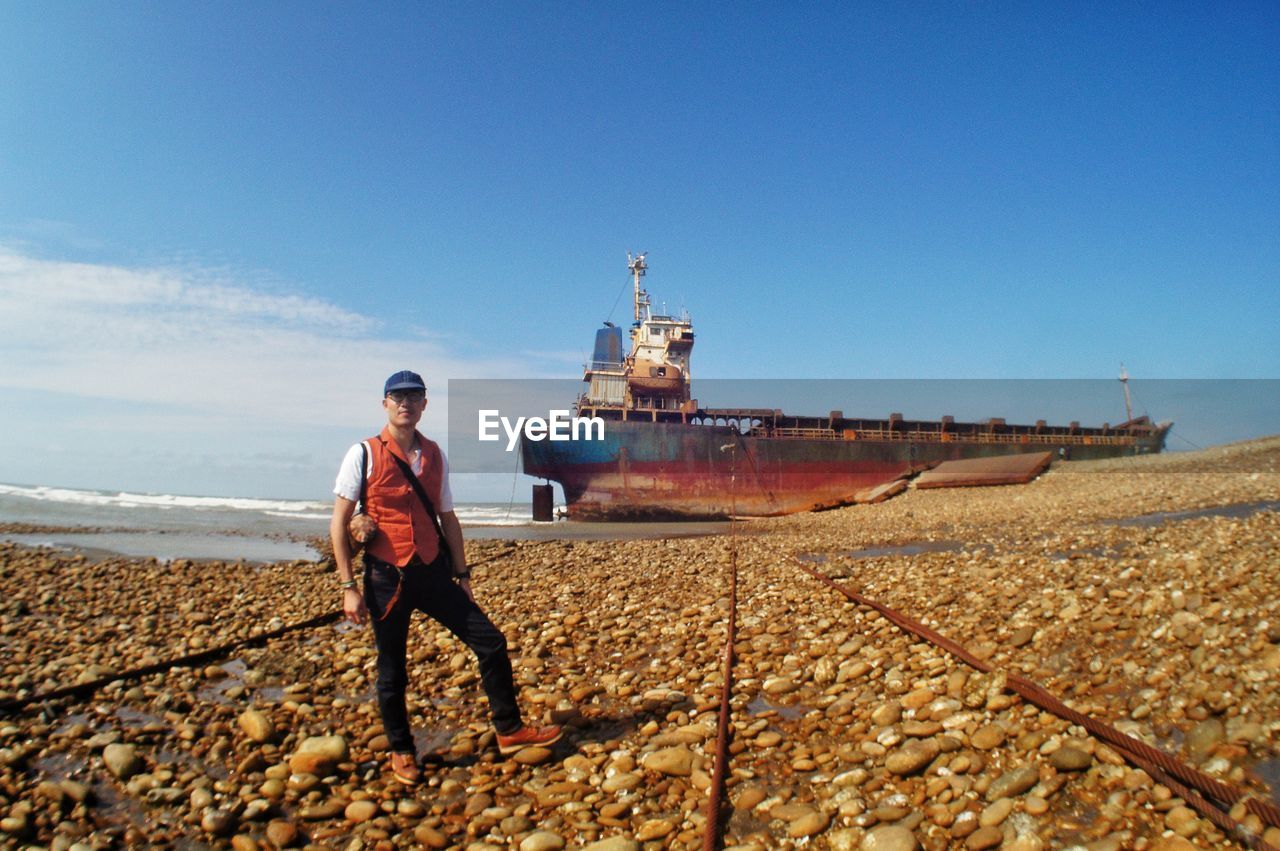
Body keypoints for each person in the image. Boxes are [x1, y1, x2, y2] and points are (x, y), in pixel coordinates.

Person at [330, 370, 561, 785]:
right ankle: (402, 751)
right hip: (386, 578)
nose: (406, 403)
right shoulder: (362, 453)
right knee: (392, 671)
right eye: (398, 396)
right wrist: (349, 588)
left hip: (434, 572)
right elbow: (339, 523)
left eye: (414, 396)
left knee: (490, 641)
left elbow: (448, 518)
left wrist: (463, 573)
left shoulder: (435, 454)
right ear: (385, 403)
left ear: (424, 404)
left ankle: (508, 730)